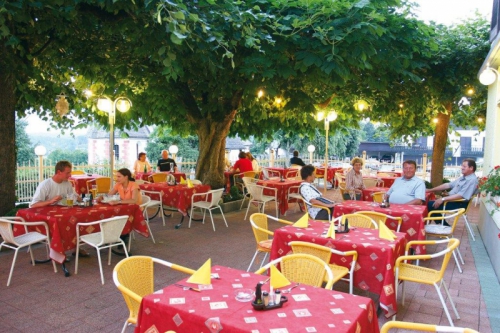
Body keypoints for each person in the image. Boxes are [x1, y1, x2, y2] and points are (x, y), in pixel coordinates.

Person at [426, 158, 478, 225]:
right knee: (431, 202)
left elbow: (461, 195)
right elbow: (448, 185)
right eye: (462, 166)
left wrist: (443, 199)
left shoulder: (472, 180)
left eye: (464, 166)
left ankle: (444, 226)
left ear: (471, 168)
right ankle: (442, 225)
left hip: (459, 204)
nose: (461, 168)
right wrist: (430, 190)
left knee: (430, 204)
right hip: (453, 201)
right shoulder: (464, 177)